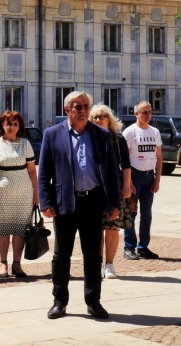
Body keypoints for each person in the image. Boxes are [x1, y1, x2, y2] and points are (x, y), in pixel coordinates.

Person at [38, 91, 120, 320]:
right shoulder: (52, 135)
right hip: (65, 203)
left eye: (86, 106)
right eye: (78, 106)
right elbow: (44, 172)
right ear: (67, 109)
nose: (83, 110)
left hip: (93, 201)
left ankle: (94, 302)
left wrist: (114, 203)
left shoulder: (102, 135)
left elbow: (112, 172)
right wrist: (46, 201)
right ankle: (59, 302)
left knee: (93, 255)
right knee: (61, 256)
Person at [0, 111, 38, 279]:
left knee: (21, 229)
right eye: (8, 124)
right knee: (2, 228)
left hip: (24, 192)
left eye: (15, 124)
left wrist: (36, 193)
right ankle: (3, 263)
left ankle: (17, 264)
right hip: (2, 191)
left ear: (19, 127)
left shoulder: (25, 144)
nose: (12, 127)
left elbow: (32, 170)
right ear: (2, 125)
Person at [90, 104, 133, 280]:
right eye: (95, 117)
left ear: (109, 119)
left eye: (102, 116)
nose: (98, 120)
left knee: (113, 227)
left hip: (114, 185)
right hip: (94, 186)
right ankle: (98, 263)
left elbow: (126, 164)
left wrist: (127, 185)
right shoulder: (88, 137)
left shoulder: (118, 139)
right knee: (96, 229)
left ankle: (109, 264)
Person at [122, 101, 162, 261]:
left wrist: (157, 179)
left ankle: (143, 246)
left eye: (150, 112)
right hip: (134, 176)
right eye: (144, 112)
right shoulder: (129, 132)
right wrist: (128, 182)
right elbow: (123, 159)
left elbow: (159, 157)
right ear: (136, 114)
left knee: (147, 214)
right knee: (131, 212)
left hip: (149, 176)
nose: (147, 115)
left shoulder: (155, 132)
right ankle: (128, 246)